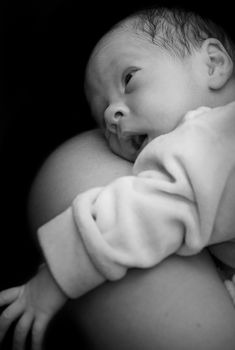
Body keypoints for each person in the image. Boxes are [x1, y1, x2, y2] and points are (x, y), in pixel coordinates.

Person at [1, 5, 235, 350]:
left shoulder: (208, 140)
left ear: (213, 64)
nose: (112, 113)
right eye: (101, 115)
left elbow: (142, 210)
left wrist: (56, 277)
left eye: (128, 79)